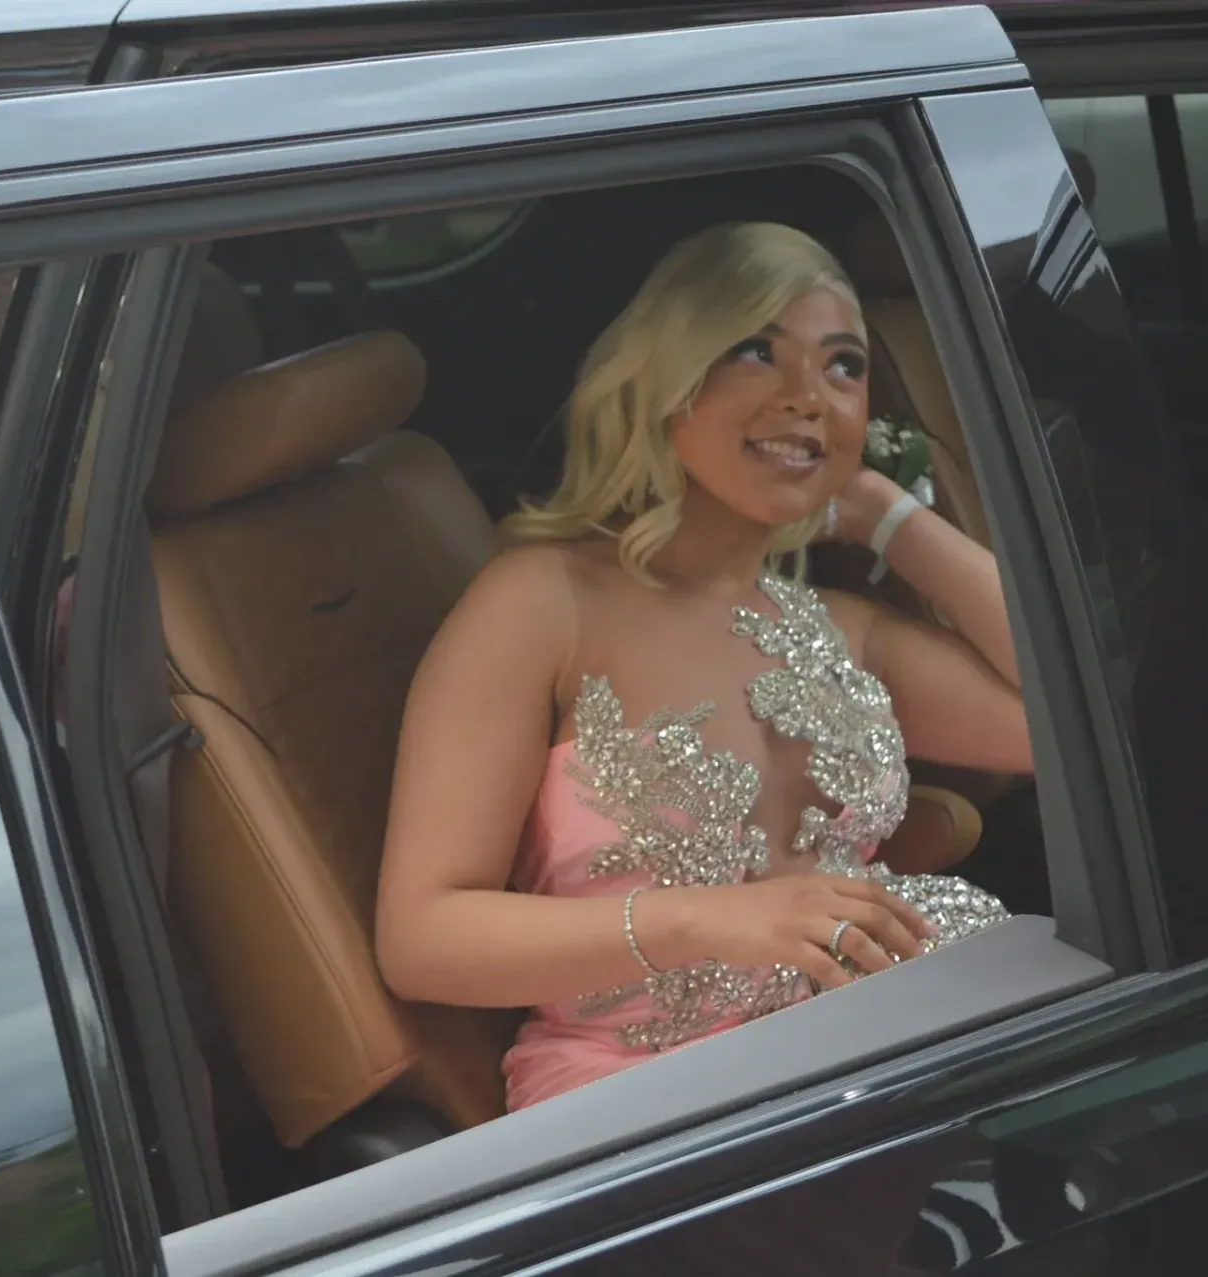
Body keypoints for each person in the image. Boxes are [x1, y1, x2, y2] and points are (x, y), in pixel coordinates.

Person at [375, 221, 1032, 1114]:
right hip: (668, 1107)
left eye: (844, 366)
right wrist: (707, 919)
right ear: (665, 379)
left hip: (905, 1046)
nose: (809, 396)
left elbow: (1065, 720)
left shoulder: (839, 627)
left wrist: (883, 511)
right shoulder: (539, 602)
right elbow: (420, 937)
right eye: (756, 351)